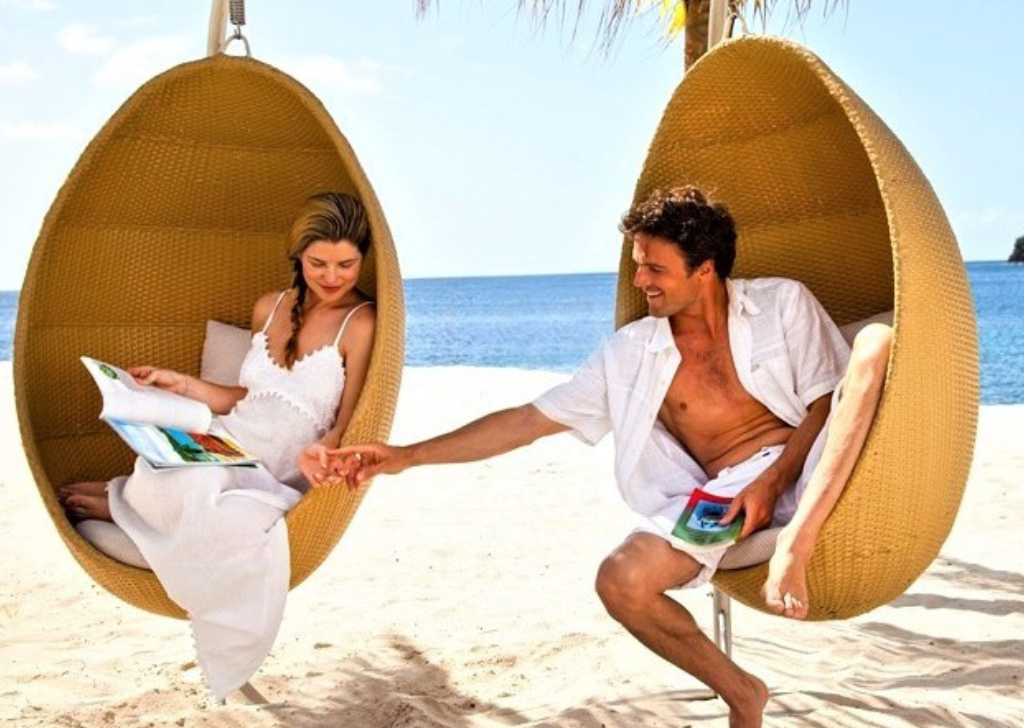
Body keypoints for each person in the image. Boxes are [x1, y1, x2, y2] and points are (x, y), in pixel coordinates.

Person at [313, 186, 891, 728]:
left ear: (706, 269)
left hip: (812, 460)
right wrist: (406, 455)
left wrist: (771, 486)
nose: (639, 280)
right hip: (723, 498)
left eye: (655, 268)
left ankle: (798, 541)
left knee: (876, 342)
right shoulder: (630, 355)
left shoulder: (781, 304)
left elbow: (821, 409)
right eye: (638, 263)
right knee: (622, 582)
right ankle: (742, 691)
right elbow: (526, 421)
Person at [58, 191, 376, 702]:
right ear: (298, 257)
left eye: (346, 264)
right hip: (229, 438)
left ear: (363, 258)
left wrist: (329, 452)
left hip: (276, 468)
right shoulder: (269, 307)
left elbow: (344, 419)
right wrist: (178, 383)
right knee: (171, 453)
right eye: (318, 262)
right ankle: (126, 500)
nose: (332, 276)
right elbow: (244, 397)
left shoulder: (359, 322)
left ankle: (120, 503)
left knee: (206, 485)